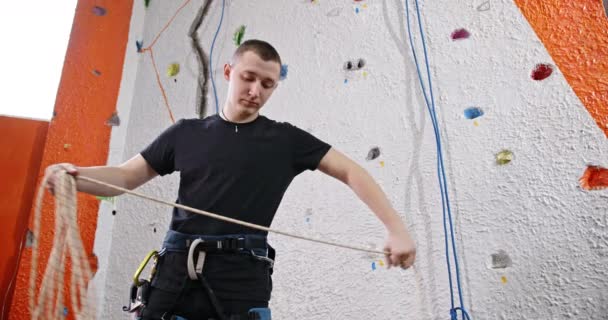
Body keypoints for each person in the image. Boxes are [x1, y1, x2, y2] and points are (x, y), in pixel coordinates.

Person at [45, 39, 416, 320]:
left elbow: (352, 170)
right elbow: (125, 178)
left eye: (267, 84)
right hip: (174, 273)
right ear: (228, 72)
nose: (256, 91)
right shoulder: (186, 133)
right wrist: (74, 176)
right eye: (248, 78)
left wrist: (395, 228)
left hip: (242, 277)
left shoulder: (286, 141)